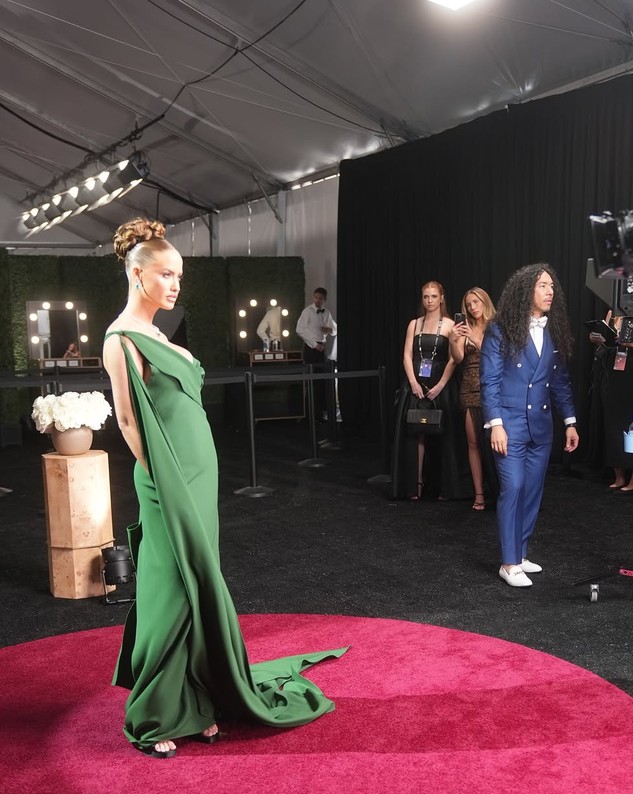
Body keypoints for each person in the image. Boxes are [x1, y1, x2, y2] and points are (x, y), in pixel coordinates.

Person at [103, 219, 346, 759]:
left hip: (197, 478)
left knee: (199, 584)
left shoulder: (156, 333)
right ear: (138, 274)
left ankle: (198, 698)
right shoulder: (121, 339)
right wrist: (165, 481)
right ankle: (155, 713)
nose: (175, 285)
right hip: (169, 483)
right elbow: (128, 420)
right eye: (166, 275)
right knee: (171, 588)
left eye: (179, 276)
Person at [480, 263, 578, 587]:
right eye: (542, 286)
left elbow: (559, 381)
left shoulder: (553, 331)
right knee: (514, 488)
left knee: (532, 492)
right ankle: (508, 563)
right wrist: (495, 423)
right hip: (509, 425)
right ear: (526, 291)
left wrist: (570, 421)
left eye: (552, 286)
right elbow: (490, 380)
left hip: (541, 425)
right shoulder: (500, 329)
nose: (550, 292)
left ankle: (520, 554)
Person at [391, 281, 468, 500]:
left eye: (434, 296)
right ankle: (415, 485)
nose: (430, 301)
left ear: (441, 298)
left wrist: (441, 384)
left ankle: (445, 488)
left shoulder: (451, 325)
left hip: (441, 384)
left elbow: (454, 359)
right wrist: (413, 382)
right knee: (415, 433)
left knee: (444, 435)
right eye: (426, 297)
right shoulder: (414, 324)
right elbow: (407, 356)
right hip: (415, 384)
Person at [588, 309, 633, 492]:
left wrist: (630, 343)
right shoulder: (614, 315)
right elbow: (609, 346)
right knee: (614, 422)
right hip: (615, 372)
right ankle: (619, 475)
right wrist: (600, 341)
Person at [449, 287, 498, 510]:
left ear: (484, 301)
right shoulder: (465, 326)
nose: (472, 307)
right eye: (468, 304)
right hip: (469, 388)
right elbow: (458, 358)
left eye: (476, 302)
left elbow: (497, 356)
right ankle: (479, 493)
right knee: (473, 443)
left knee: (495, 443)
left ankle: (501, 490)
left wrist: (475, 340)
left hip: (494, 389)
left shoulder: (496, 325)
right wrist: (453, 341)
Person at [296, 287, 337, 420]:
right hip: (310, 348)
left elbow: (335, 330)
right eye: (316, 297)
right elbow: (299, 330)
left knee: (321, 382)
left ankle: (319, 414)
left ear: (325, 299)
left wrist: (330, 330)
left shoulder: (327, 313)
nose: (318, 300)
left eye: (320, 298)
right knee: (312, 381)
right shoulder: (307, 311)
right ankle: (310, 415)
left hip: (322, 349)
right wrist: (314, 345)